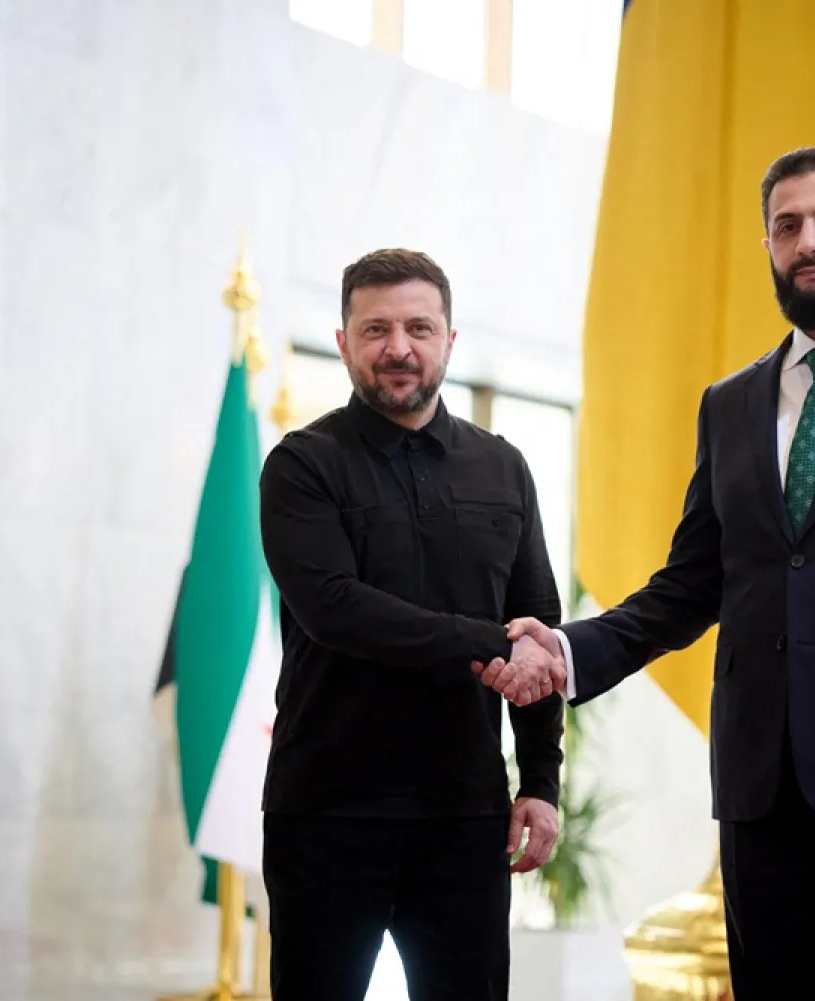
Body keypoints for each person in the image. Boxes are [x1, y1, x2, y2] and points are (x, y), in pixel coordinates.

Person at [475, 146, 815, 999]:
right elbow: (693, 583)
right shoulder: (730, 403)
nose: (810, 241)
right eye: (788, 226)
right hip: (761, 796)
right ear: (770, 246)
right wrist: (569, 648)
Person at [257, 248, 566, 1001]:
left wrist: (542, 780)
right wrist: (491, 642)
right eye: (377, 329)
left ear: (450, 341)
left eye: (419, 327)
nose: (399, 348)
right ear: (343, 341)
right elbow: (336, 608)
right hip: (328, 814)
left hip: (465, 818)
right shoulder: (302, 464)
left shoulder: (504, 467)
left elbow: (538, 624)